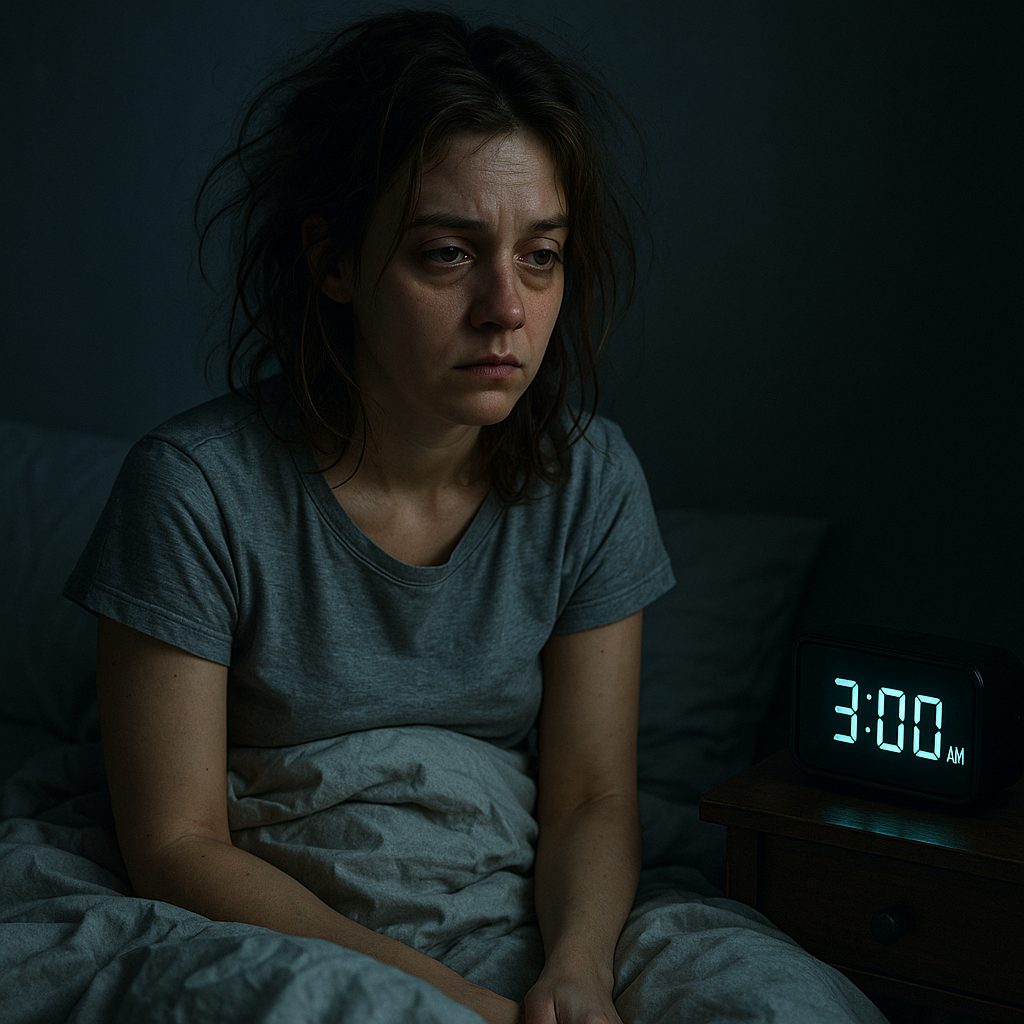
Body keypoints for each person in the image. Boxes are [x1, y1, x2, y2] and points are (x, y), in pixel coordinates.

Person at [65, 11, 889, 1024]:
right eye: (448, 255)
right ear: (332, 261)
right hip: (273, 906)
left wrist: (579, 970)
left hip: (522, 895)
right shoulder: (194, 488)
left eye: (539, 256)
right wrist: (456, 1002)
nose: (506, 307)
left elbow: (590, 794)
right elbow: (178, 845)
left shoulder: (590, 478)